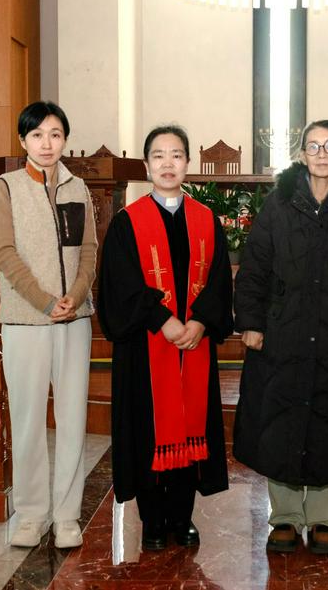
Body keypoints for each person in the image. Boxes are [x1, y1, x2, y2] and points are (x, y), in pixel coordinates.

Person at [233, 119, 328, 555]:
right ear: (302, 154)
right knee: (280, 419)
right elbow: (254, 268)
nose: (322, 153)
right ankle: (284, 516)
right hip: (282, 331)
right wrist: (251, 322)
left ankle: (323, 519)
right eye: (313, 145)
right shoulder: (279, 204)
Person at [97, 124, 233, 551]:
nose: (168, 163)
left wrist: (200, 322)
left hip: (194, 344)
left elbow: (218, 283)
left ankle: (182, 517)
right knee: (147, 429)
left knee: (192, 424)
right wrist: (163, 320)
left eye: (176, 155)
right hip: (145, 347)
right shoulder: (127, 224)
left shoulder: (207, 221)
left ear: (187, 163)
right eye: (159, 155)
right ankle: (153, 520)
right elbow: (120, 285)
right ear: (146, 165)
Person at [0, 101, 96, 549]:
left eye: (54, 134)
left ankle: (67, 515)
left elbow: (89, 249)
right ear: (23, 141)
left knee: (72, 417)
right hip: (25, 320)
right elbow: (4, 254)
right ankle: (31, 514)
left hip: (75, 319)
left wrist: (76, 293)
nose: (46, 143)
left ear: (65, 139)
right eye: (37, 135)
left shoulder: (78, 188)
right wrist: (44, 301)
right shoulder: (6, 188)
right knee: (29, 417)